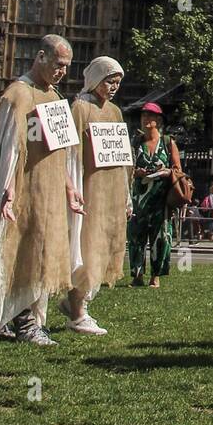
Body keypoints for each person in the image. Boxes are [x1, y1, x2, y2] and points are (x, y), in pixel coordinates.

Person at [0, 34, 83, 345]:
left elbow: (63, 152)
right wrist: (7, 190)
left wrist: (70, 189)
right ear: (41, 57)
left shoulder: (56, 99)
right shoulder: (18, 95)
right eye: (59, 65)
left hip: (49, 196)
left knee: (38, 258)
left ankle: (14, 320)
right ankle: (23, 323)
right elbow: (8, 152)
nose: (63, 72)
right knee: (14, 256)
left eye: (67, 67)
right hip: (21, 195)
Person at [62, 56, 131, 336]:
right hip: (88, 189)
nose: (113, 87)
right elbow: (69, 153)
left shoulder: (114, 112)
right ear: (95, 80)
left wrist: (126, 196)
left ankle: (76, 304)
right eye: (109, 81)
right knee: (86, 249)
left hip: (111, 191)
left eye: (116, 83)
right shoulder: (80, 108)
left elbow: (123, 158)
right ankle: (78, 312)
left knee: (102, 247)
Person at [127, 102, 182, 288]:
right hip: (139, 199)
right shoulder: (136, 142)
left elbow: (177, 170)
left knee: (160, 237)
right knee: (136, 237)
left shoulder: (168, 142)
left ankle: (155, 276)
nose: (145, 119)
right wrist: (137, 172)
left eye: (149, 116)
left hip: (160, 199)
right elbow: (127, 168)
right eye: (143, 116)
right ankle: (137, 275)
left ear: (158, 120)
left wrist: (166, 172)